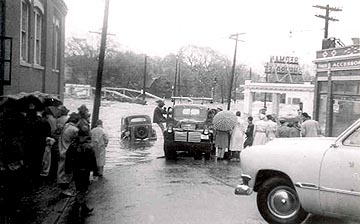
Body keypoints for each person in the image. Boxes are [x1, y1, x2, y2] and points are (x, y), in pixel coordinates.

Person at [66, 128, 97, 217]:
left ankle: (81, 207)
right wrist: (95, 172)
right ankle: (79, 208)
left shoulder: (73, 145)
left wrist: (68, 169)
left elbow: (68, 158)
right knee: (83, 189)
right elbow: (93, 159)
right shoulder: (88, 147)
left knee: (79, 188)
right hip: (85, 171)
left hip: (76, 170)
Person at [57, 112, 80, 196]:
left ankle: (63, 188)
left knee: (61, 170)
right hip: (68, 152)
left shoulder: (66, 126)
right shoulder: (74, 129)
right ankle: (64, 189)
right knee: (66, 171)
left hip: (62, 149)